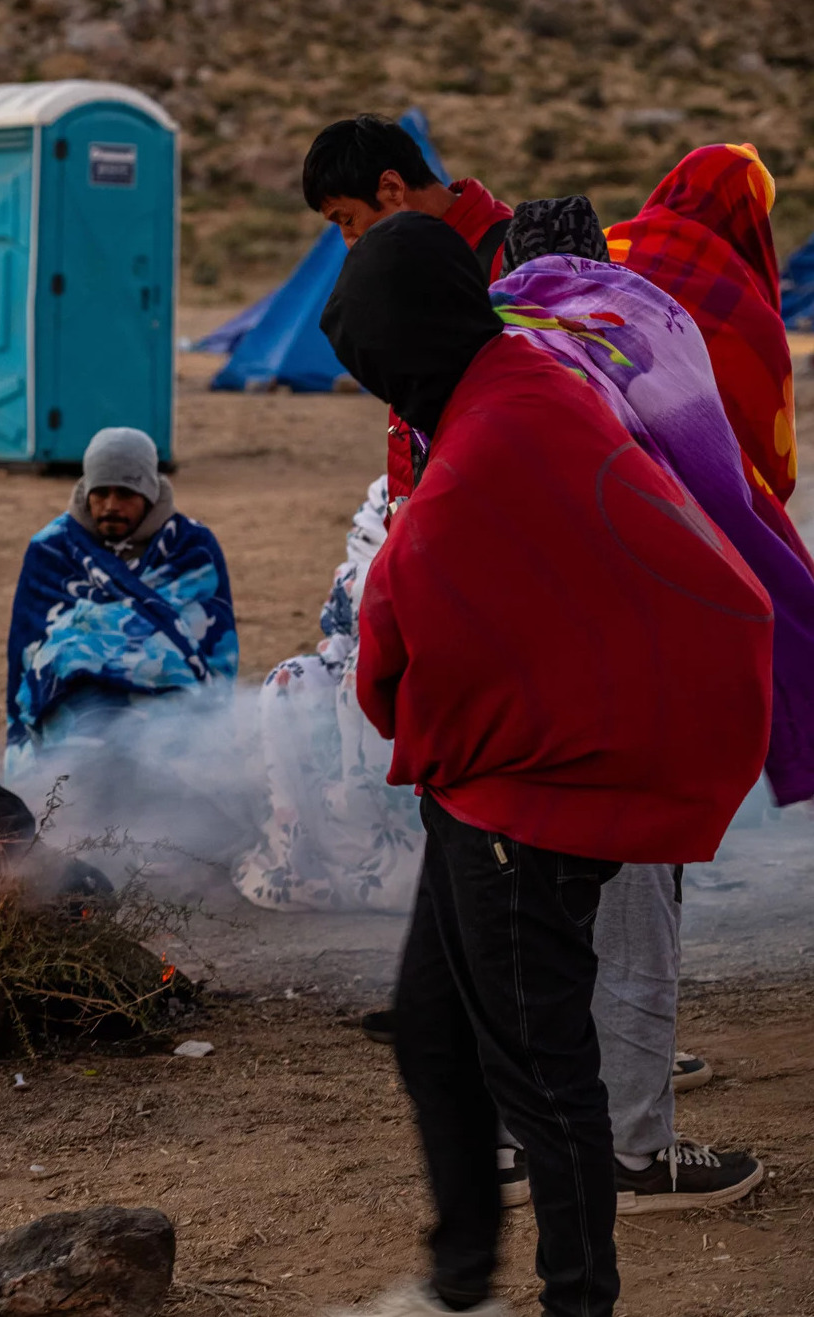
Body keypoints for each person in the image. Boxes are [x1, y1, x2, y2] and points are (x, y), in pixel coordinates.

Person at [319, 213, 773, 1317]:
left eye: (374, 366)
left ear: (404, 347)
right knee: (436, 1026)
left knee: (544, 1071)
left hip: (528, 804)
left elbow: (389, 655)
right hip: (502, 779)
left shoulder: (478, 455)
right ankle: (460, 1276)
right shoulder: (522, 375)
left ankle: (578, 1300)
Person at [607, 143, 805, 567]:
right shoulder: (747, 310)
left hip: (599, 461)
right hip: (701, 502)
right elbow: (765, 438)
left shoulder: (611, 247)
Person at [303, 114, 513, 512]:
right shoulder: (404, 266)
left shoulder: (511, 263)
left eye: (348, 221)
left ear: (392, 188)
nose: (350, 243)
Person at [235, 474, 420, 913]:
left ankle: (401, 877)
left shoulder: (467, 473)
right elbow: (358, 587)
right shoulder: (388, 489)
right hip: (362, 651)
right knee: (289, 685)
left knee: (364, 683)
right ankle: (311, 866)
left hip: (437, 666)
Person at [4, 426, 237, 772]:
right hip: (73, 701)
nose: (111, 506)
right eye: (101, 493)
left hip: (168, 702)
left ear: (149, 491)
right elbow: (31, 650)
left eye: (125, 493)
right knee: (77, 761)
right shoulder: (52, 549)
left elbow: (214, 654)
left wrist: (95, 635)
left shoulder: (191, 548)